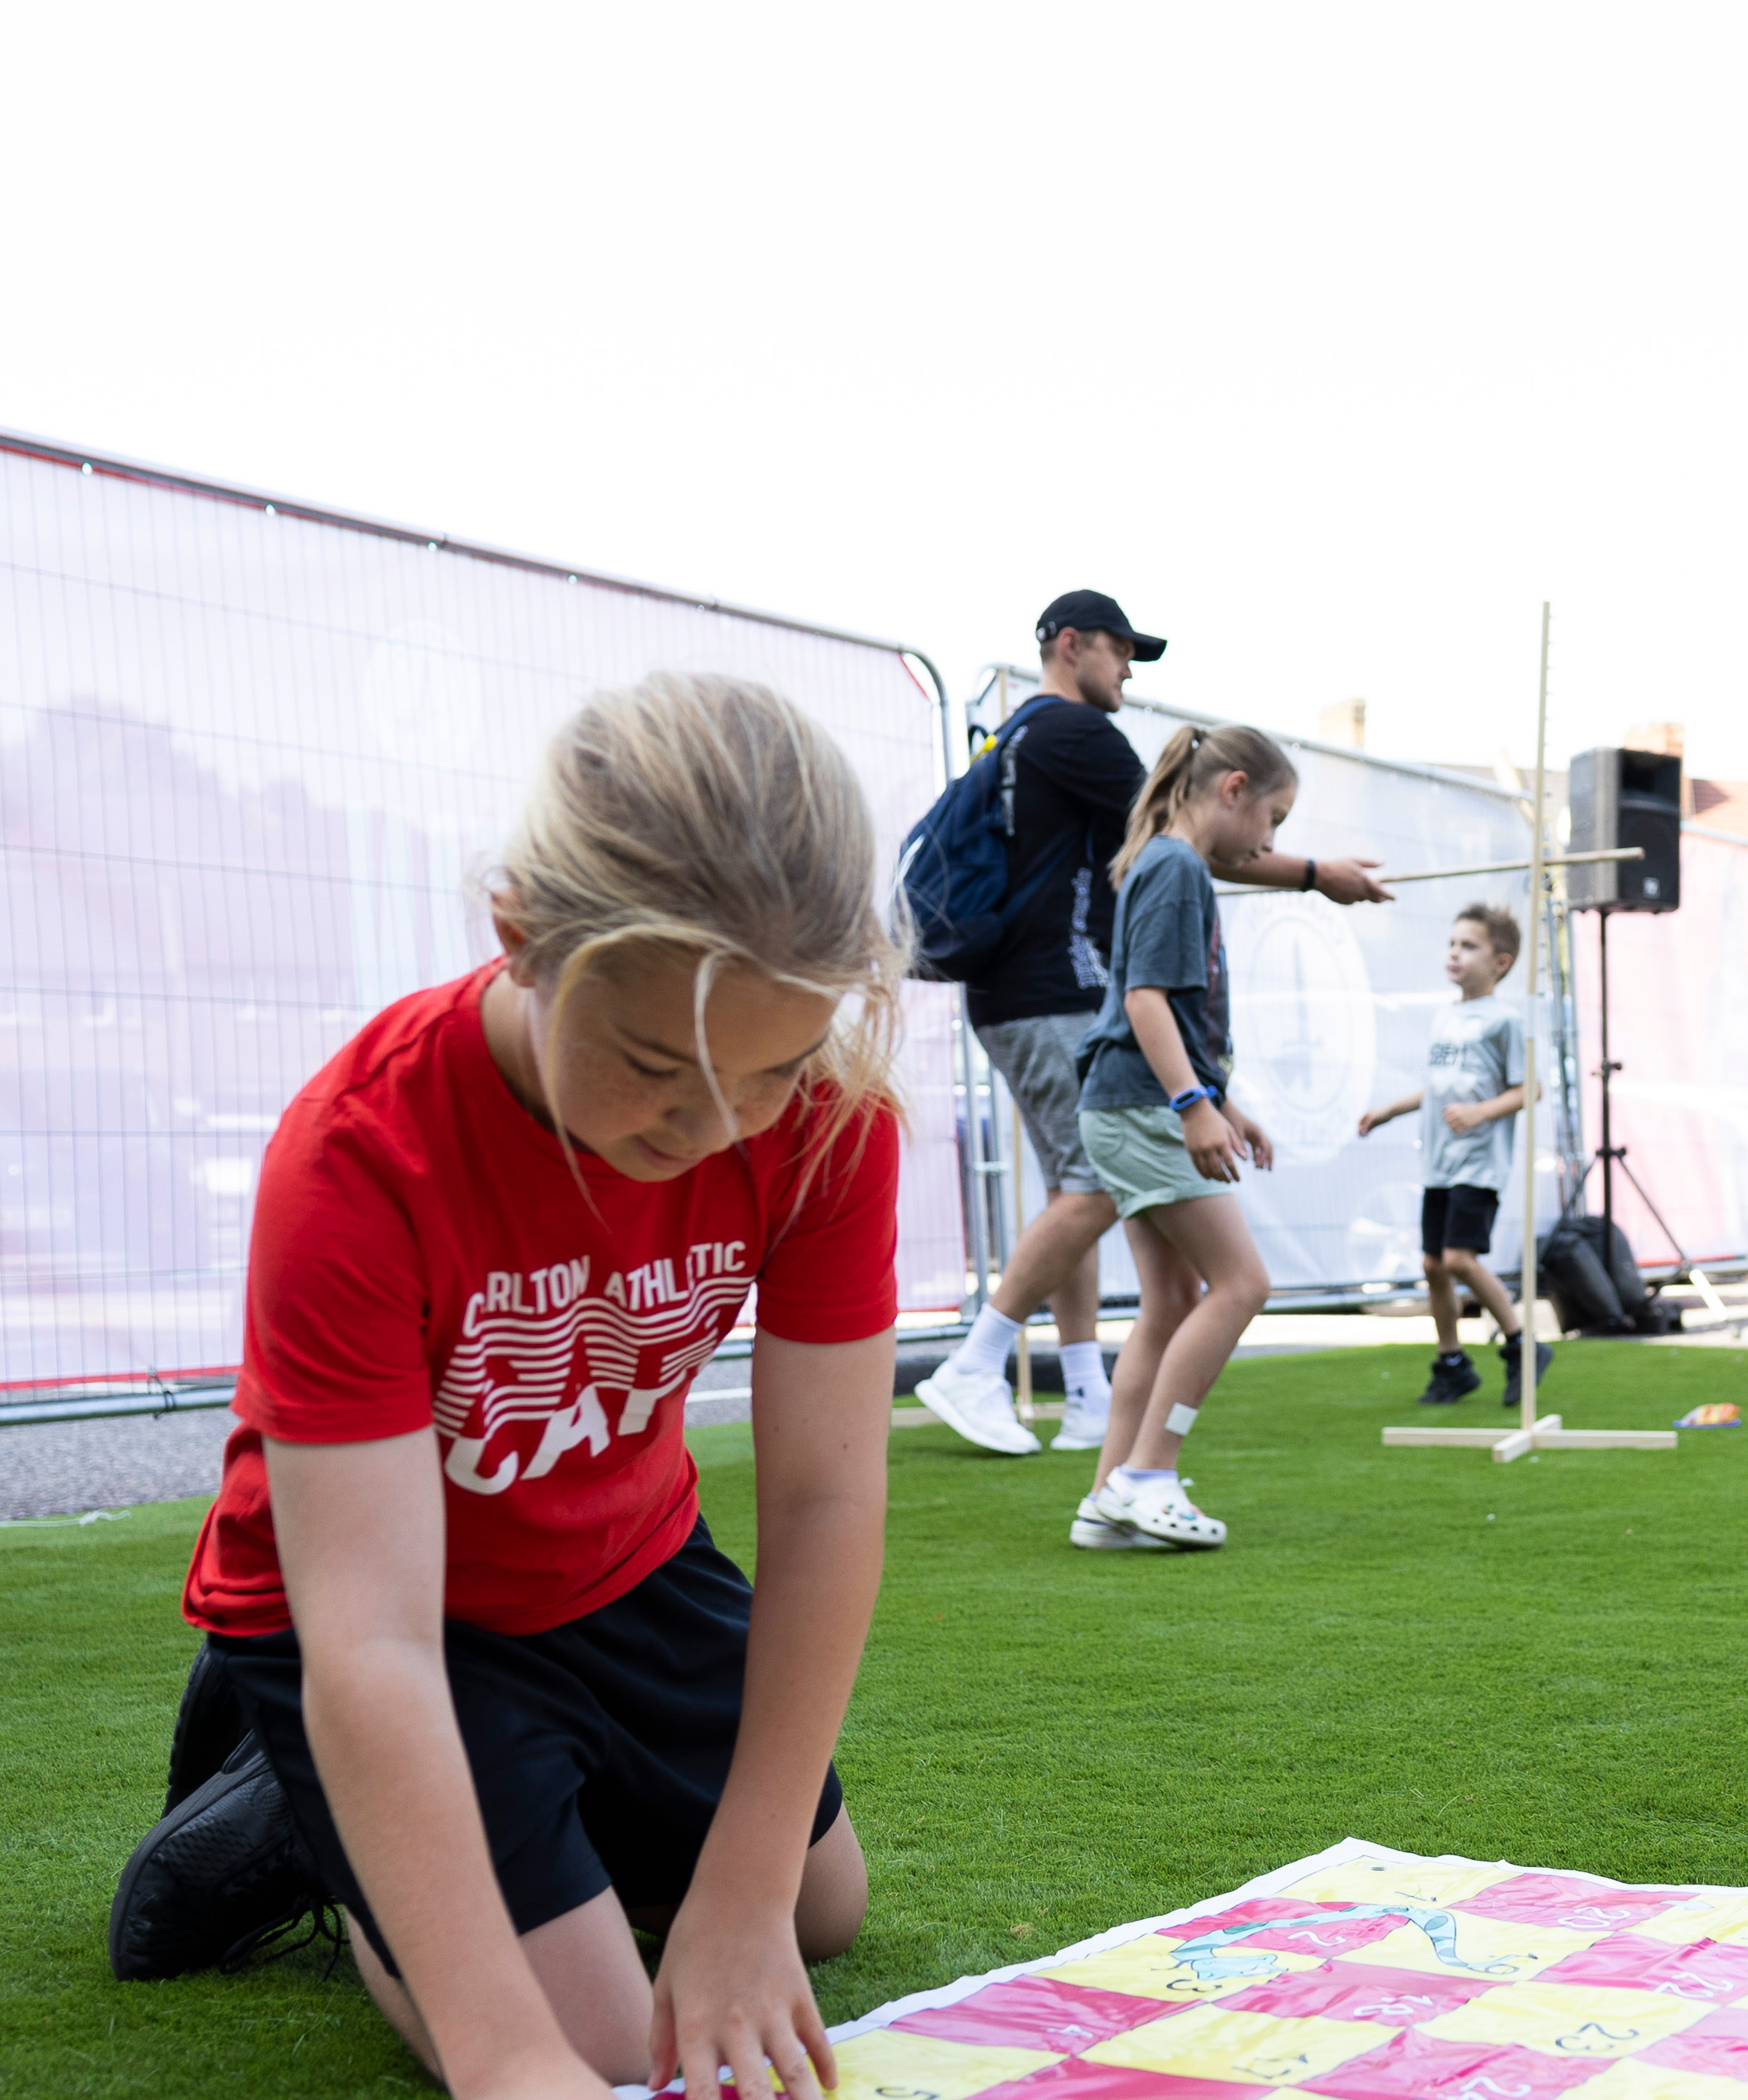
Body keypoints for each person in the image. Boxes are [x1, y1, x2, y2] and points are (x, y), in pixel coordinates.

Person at [112, 675, 904, 2100]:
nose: (711, 1126)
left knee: (811, 1905)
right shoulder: (357, 1153)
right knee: (598, 2044)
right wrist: (499, 2050)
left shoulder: (835, 1118)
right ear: (525, 935)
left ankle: (500, 1807)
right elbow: (374, 1633)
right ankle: (310, 1809)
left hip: (623, 1547)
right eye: (656, 1064)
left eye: (768, 1069)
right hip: (382, 1605)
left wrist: (736, 1894)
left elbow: (828, 1493)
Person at [913, 590, 1391, 1458]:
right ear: (1069, 645)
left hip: (1014, 991)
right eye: (1120, 650)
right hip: (1054, 985)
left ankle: (1090, 1393)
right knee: (1094, 1186)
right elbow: (1186, 833)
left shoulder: (1018, 736)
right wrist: (1317, 873)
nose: (1130, 668)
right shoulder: (1075, 735)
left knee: (1079, 1188)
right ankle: (976, 1363)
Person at [1061, 724, 1300, 1551]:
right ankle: (1148, 1474)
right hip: (1141, 1105)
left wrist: (1220, 1101)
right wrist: (1193, 1103)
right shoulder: (1177, 867)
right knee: (1242, 1285)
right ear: (1232, 788)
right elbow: (1146, 1001)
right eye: (1273, 816)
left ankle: (1107, 1496)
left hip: (1127, 1102)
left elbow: (1164, 1011)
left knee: (1169, 1301)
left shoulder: (1163, 862)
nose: (1270, 842)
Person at [1355, 902, 1553, 1406]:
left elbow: (1529, 1088)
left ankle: (1520, 1343)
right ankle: (1451, 1362)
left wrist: (1481, 1112)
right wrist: (1388, 1111)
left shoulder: (1504, 1021)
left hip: (1477, 1162)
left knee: (1459, 1258)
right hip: (1439, 1164)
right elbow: (1437, 1089)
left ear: (1500, 962)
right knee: (1432, 1263)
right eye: (1452, 944)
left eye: (1469, 946)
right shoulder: (1446, 1016)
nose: (1455, 954)